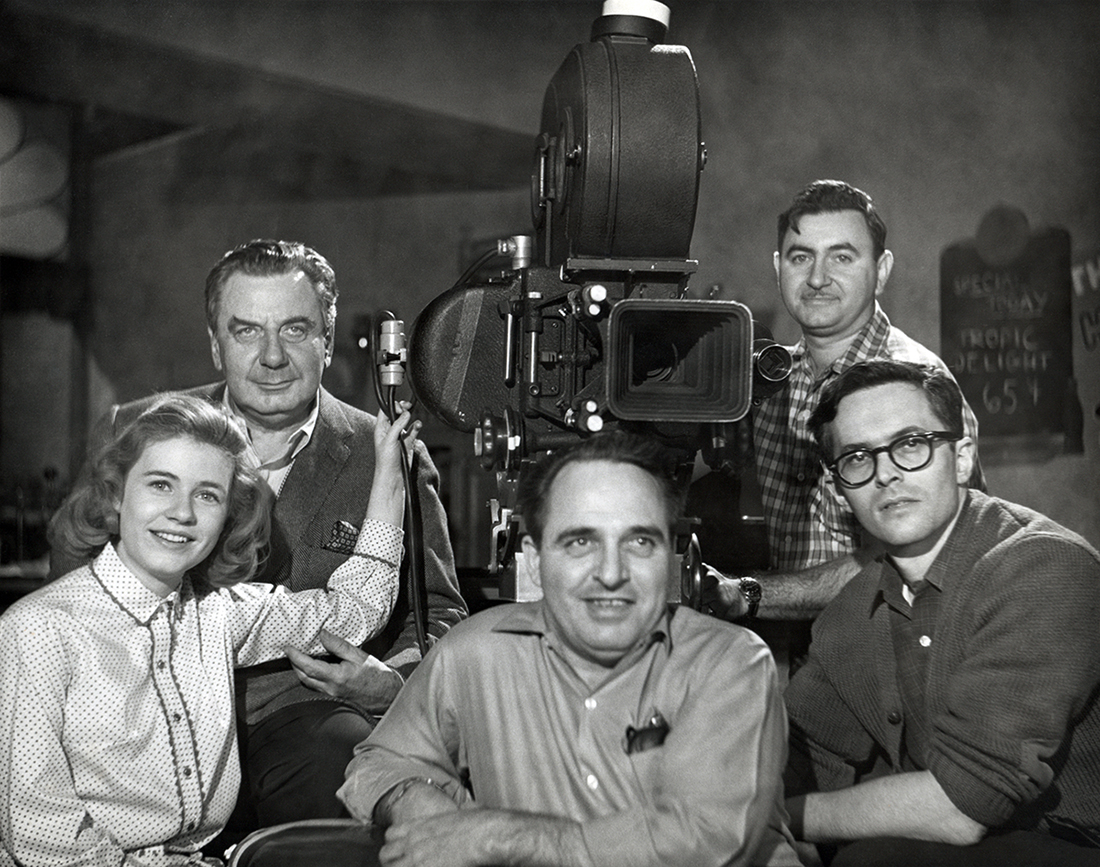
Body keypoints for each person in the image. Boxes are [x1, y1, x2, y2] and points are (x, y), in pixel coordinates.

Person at [47, 239, 467, 832]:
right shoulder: (135, 433)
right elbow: (69, 595)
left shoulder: (389, 456)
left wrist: (391, 682)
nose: (272, 356)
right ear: (216, 345)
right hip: (143, 716)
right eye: (246, 332)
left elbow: (440, 613)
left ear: (328, 338)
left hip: (303, 718)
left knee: (344, 772)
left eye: (295, 330)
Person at [337, 431, 801, 867]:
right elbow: (378, 761)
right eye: (581, 542)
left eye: (640, 542)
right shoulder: (477, 652)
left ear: (673, 561)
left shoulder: (731, 663)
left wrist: (496, 836)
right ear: (535, 565)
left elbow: (705, 836)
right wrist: (414, 800)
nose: (612, 572)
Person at [0, 393, 415, 866]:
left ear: (227, 517)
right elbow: (40, 835)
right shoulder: (36, 631)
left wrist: (388, 472)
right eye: (160, 485)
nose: (182, 512)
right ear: (116, 494)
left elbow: (355, 608)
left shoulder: (219, 613)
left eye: (207, 495)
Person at [783, 360, 1100, 866]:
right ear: (841, 489)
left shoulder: (1044, 566)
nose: (885, 474)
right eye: (857, 458)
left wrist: (784, 819)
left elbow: (964, 806)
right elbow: (799, 756)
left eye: (910, 444)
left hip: (1071, 843)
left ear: (960, 458)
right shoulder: (851, 611)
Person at [703, 180, 983, 641]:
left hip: (902, 652)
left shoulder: (914, 384)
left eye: (842, 257)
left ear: (882, 269)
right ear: (778, 268)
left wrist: (748, 595)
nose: (817, 278)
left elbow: (913, 557)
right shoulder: (772, 382)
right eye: (800, 257)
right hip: (807, 662)